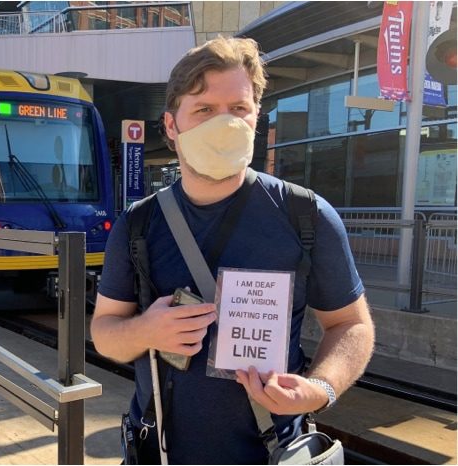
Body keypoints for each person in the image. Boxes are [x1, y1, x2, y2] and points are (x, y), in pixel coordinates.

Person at [91, 36, 375, 464]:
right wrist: (145, 331)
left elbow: (351, 324)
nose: (224, 124)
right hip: (158, 453)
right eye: (204, 110)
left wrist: (321, 389)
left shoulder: (307, 216)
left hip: (272, 453)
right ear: (171, 126)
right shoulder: (138, 224)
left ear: (256, 116)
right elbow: (105, 333)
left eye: (238, 109)